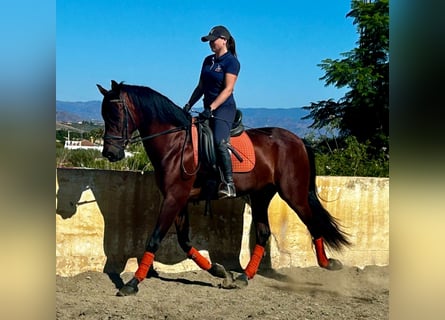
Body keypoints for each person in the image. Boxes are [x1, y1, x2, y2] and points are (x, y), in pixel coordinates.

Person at [184, 25, 240, 199]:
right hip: (208, 107)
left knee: (219, 141)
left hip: (224, 108)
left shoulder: (231, 62)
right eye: (209, 41)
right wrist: (188, 104)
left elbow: (228, 90)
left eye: (213, 40)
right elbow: (201, 86)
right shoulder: (208, 60)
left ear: (224, 40)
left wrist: (211, 108)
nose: (210, 44)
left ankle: (229, 183)